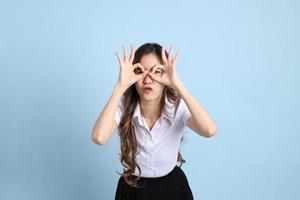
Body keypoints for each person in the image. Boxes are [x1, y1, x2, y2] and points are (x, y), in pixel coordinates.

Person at [92, 42, 218, 200]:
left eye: (156, 72)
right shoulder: (124, 105)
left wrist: (178, 84)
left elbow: (209, 130)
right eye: (140, 71)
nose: (148, 79)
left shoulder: (176, 106)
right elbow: (99, 137)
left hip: (172, 188)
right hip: (132, 190)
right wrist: (120, 88)